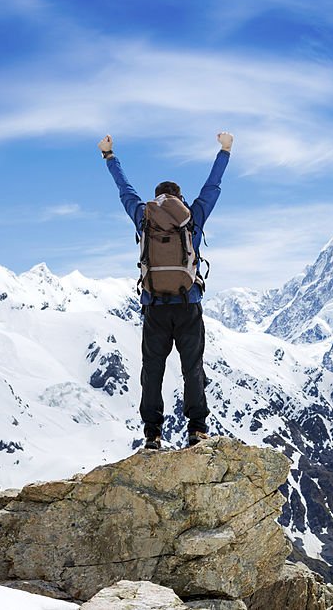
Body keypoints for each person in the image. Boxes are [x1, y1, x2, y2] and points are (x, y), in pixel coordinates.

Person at [99, 131, 232, 449]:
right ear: (180, 199)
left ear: (156, 199)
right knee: (193, 368)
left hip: (154, 306)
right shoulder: (192, 219)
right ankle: (197, 429)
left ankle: (153, 434)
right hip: (188, 305)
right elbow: (212, 188)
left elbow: (124, 190)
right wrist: (225, 150)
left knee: (153, 370)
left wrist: (109, 156)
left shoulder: (144, 218)